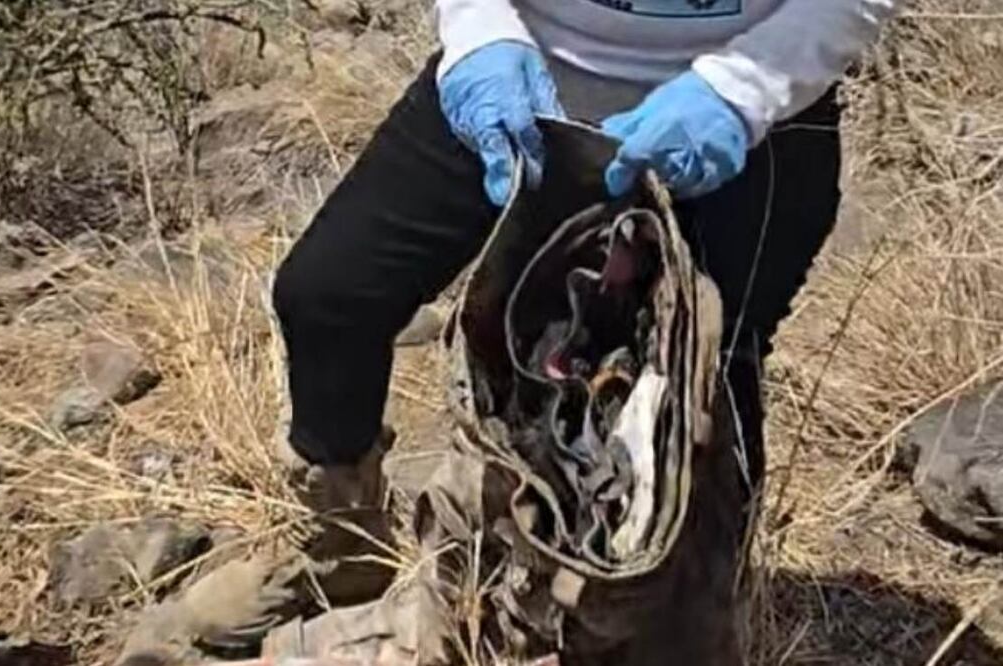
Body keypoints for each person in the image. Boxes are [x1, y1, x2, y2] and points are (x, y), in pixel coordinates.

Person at [271, 0, 901, 508]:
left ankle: (686, 601)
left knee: (704, 375)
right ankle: (340, 553)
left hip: (745, 121)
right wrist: (480, 31)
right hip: (521, 83)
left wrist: (742, 92)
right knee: (331, 294)